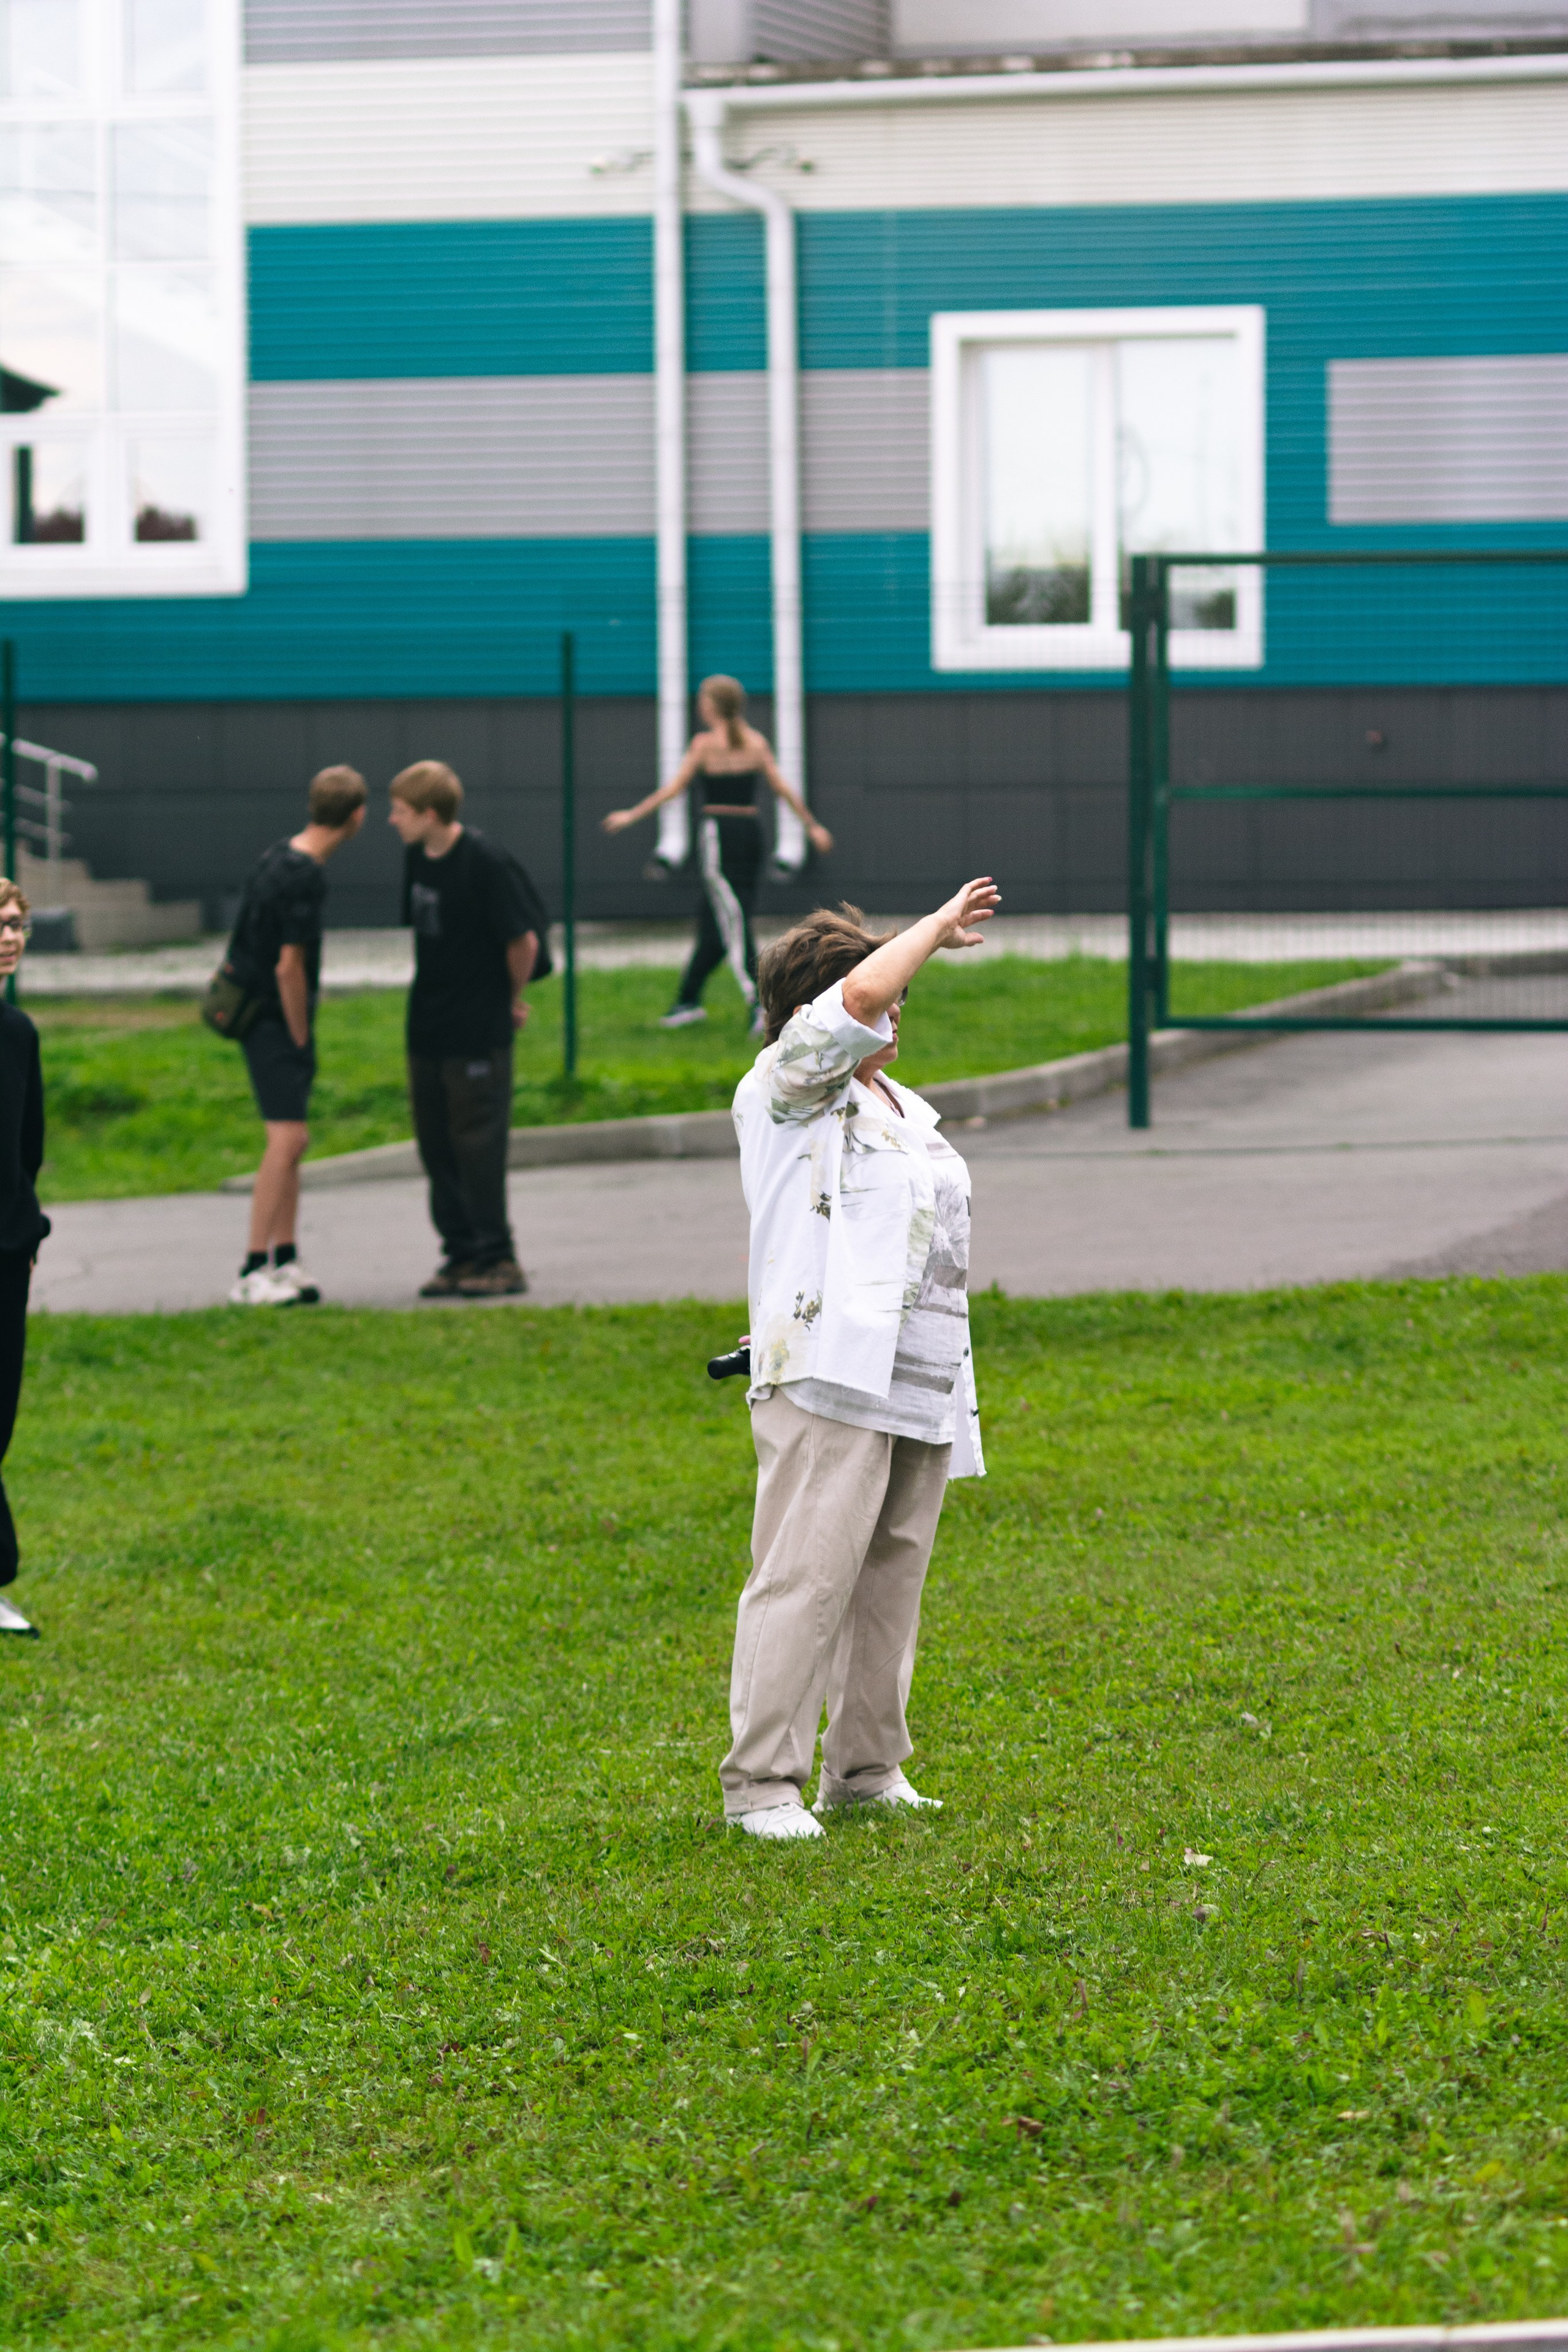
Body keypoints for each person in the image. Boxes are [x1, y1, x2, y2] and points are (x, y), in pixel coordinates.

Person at [721, 877, 1001, 1840]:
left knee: (890, 1571)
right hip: (828, 1373)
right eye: (886, 997)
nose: (897, 1014)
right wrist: (927, 927)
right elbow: (852, 1006)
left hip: (916, 1377)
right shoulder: (787, 1084)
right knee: (806, 1571)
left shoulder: (897, 1104)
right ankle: (762, 1782)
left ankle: (866, 1767)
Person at [388, 761, 549, 1299]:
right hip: (428, 1027)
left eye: (401, 811)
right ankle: (459, 1256)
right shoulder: (417, 858)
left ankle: (497, 1258)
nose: (392, 820)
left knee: (477, 1147)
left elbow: (522, 940)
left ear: (430, 814)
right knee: (437, 1148)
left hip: (477, 1029)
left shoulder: (484, 862)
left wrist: (510, 1000)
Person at [601, 676, 832, 1036]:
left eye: (704, 700)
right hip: (751, 836)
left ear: (715, 705)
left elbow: (673, 790)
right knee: (716, 922)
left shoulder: (705, 745)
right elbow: (782, 790)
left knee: (732, 922)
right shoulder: (756, 742)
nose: (699, 705)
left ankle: (762, 1005)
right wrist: (813, 826)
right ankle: (687, 1002)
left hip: (720, 837)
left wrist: (630, 815)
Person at [227, 765, 367, 1306]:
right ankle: (252, 1268)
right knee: (285, 1142)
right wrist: (300, 1034)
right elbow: (290, 967)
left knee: (295, 1140)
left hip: (255, 1014)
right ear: (357, 816)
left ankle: (286, 1259)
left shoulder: (277, 856)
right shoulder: (306, 875)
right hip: (273, 1020)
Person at [0, 880, 48, 1635]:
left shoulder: (17, 1034)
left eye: (14, 924)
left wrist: (29, 1234)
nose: (9, 935)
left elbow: (27, 1147)